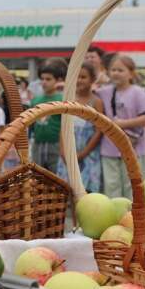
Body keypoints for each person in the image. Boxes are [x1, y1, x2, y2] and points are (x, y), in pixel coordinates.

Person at [97, 55, 145, 198]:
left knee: (133, 187)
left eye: (120, 70)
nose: (116, 73)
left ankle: (132, 218)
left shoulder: (138, 92)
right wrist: (98, 80)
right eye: (113, 70)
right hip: (110, 148)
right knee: (111, 187)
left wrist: (122, 124)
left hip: (134, 148)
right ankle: (116, 218)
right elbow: (87, 94)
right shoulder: (104, 91)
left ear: (131, 73)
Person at [56, 62, 104, 193]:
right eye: (76, 77)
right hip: (68, 153)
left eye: (83, 77)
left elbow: (99, 131)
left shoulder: (96, 102)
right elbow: (63, 126)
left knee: (86, 191)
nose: (79, 80)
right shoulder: (68, 100)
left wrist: (83, 153)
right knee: (69, 189)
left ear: (92, 80)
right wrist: (63, 151)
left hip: (88, 154)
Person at [30, 58, 67, 174]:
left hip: (55, 144)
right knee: (38, 174)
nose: (44, 82)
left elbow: (65, 124)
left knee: (56, 175)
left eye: (48, 79)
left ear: (58, 80)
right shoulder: (36, 100)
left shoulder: (62, 99)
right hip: (38, 143)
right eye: (42, 79)